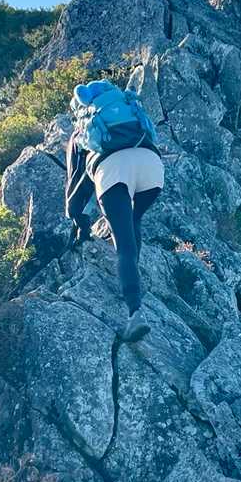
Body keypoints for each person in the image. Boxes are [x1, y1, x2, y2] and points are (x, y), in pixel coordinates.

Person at [64, 79, 164, 343]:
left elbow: (77, 184)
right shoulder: (129, 113)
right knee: (133, 221)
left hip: (113, 171)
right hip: (153, 168)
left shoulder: (84, 130)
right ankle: (132, 278)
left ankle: (135, 312)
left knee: (124, 245)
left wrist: (79, 223)